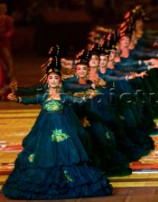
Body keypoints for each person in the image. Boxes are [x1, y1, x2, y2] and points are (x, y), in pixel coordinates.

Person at [3, 57, 113, 200]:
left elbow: (77, 100)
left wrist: (88, 95)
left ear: (60, 80)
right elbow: (28, 100)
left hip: (63, 129)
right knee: (44, 154)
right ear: (47, 80)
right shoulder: (43, 96)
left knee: (67, 155)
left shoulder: (63, 96)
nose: (53, 80)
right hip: (45, 130)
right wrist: (16, 97)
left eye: (56, 78)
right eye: (51, 78)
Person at [0, 2, 14, 100]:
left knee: (7, 66)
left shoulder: (8, 19)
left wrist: (6, 35)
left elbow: (11, 30)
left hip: (4, 44)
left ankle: (7, 89)